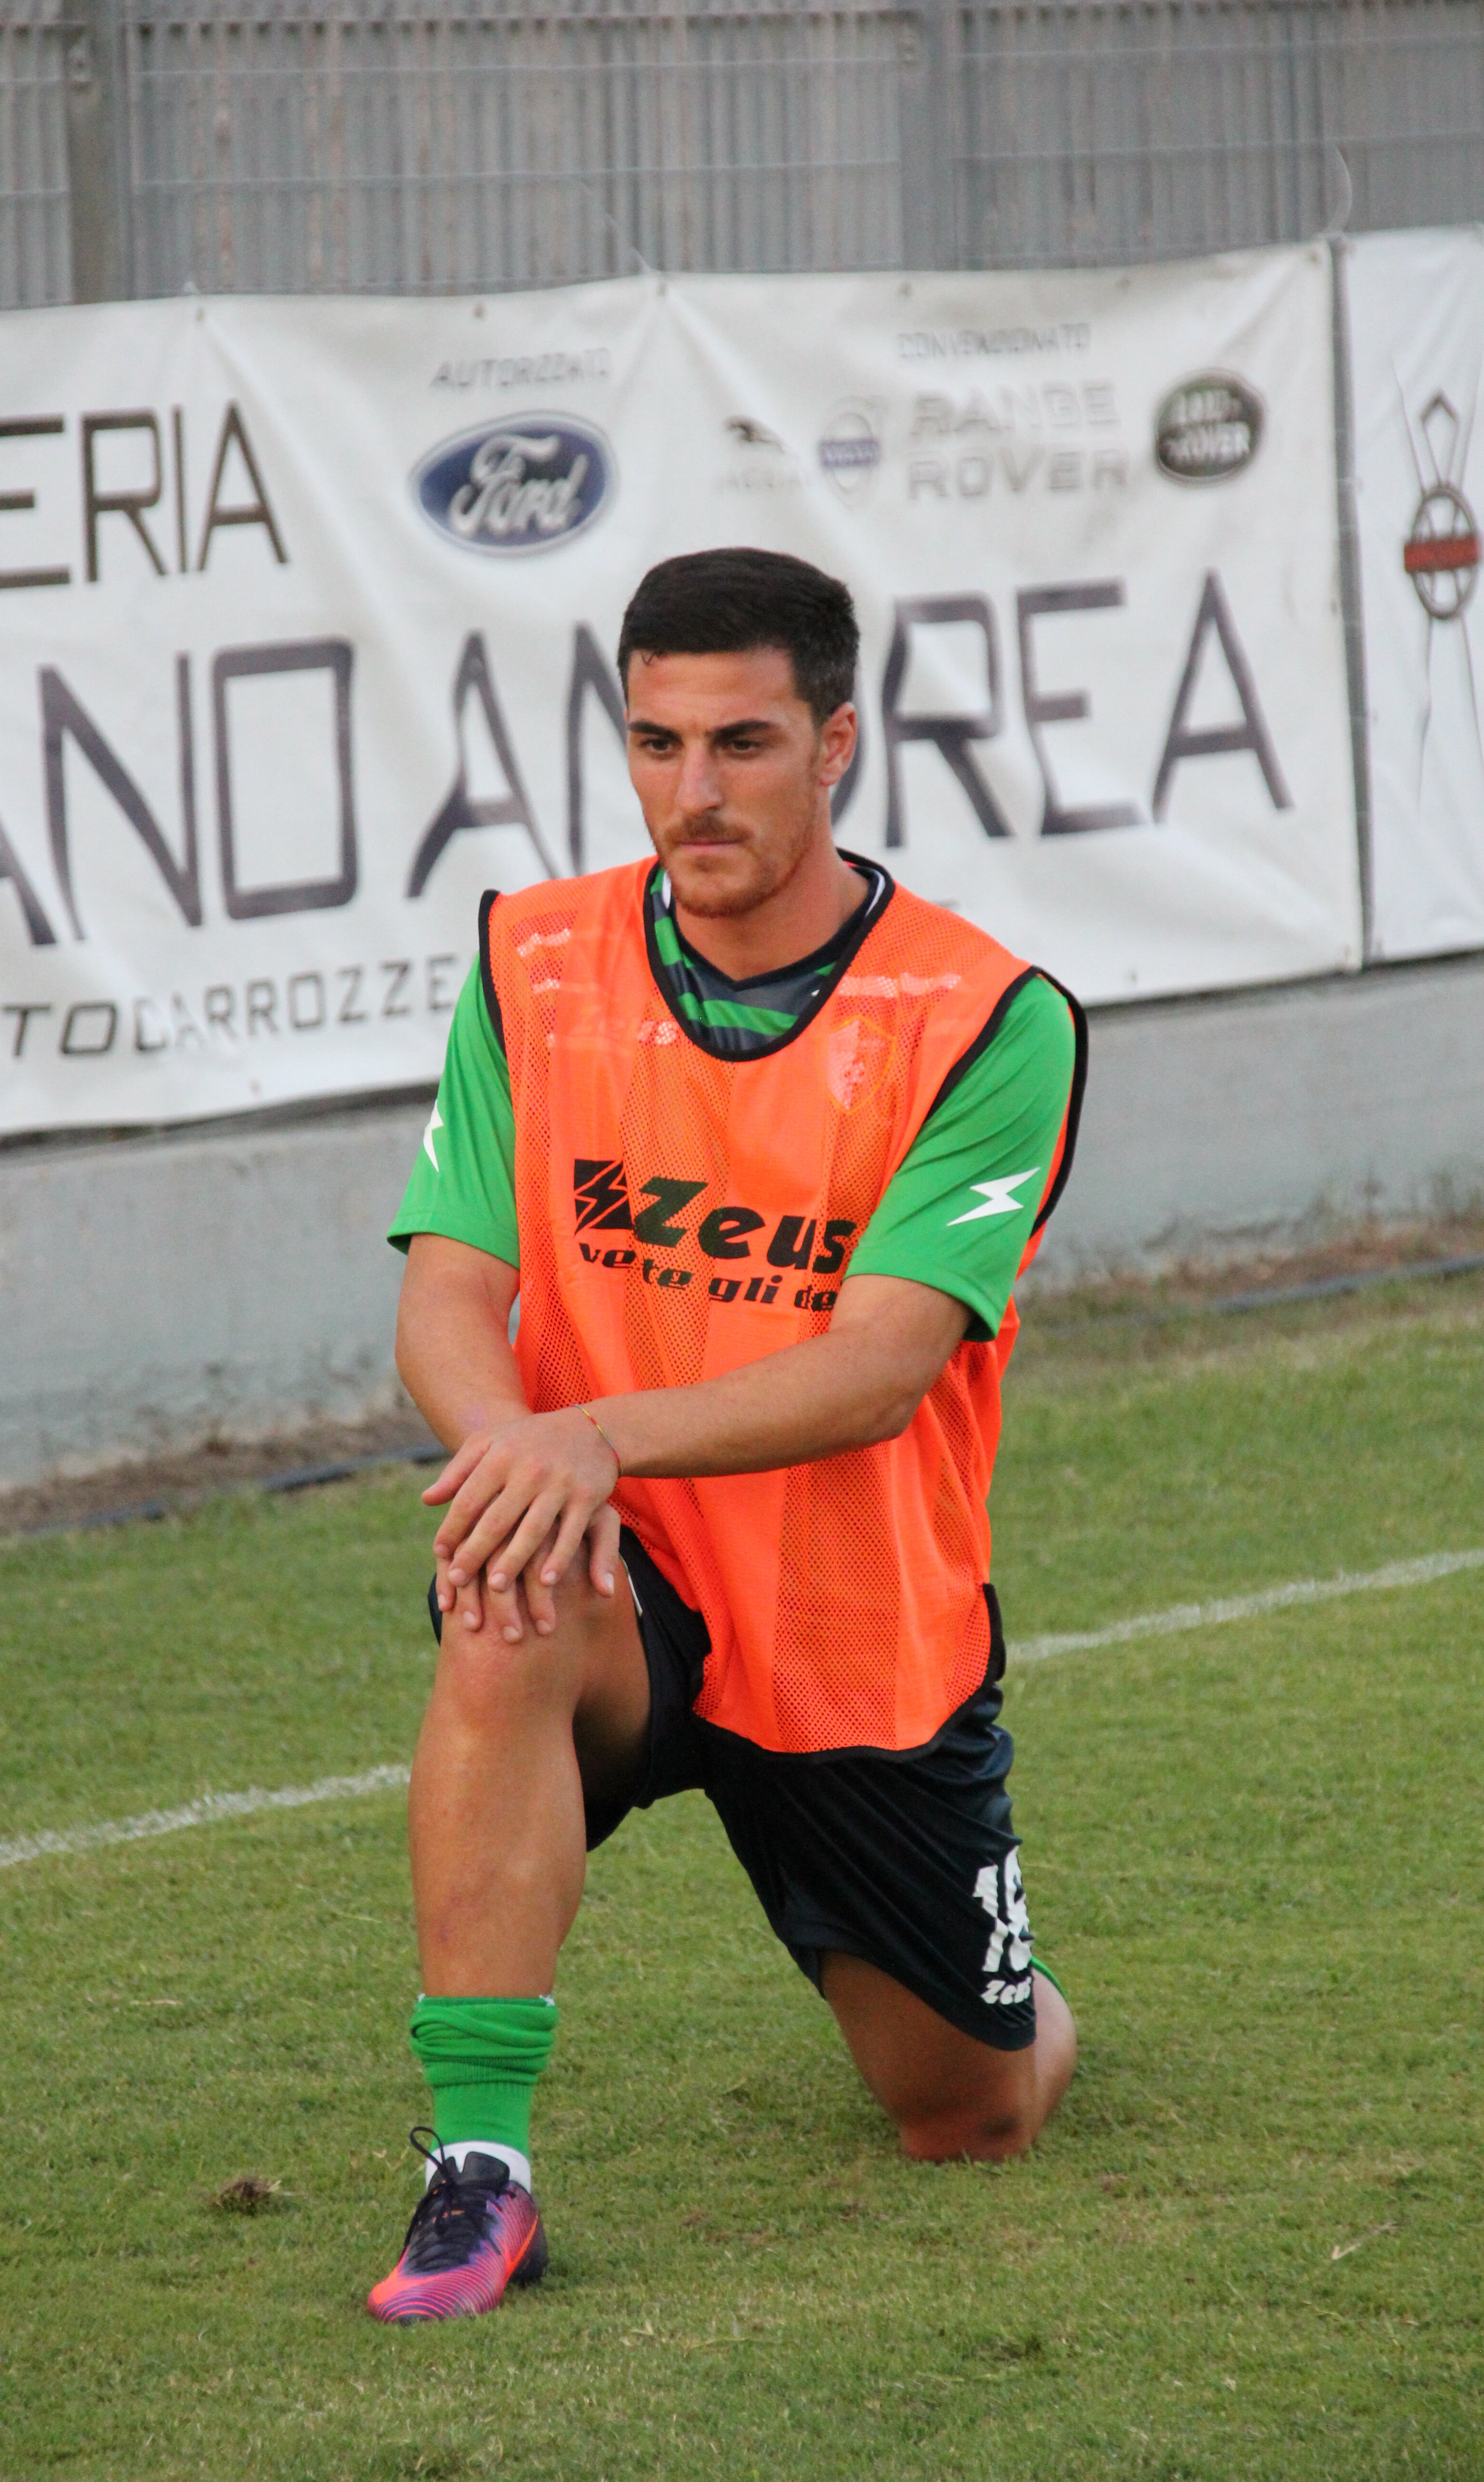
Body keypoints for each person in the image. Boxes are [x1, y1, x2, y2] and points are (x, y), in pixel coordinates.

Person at [368, 546, 1087, 2324]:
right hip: (626, 1579)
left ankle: (1013, 1997)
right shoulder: (534, 960)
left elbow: (879, 1369)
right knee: (507, 1586)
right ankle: (480, 2170)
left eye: (745, 743)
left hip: (856, 1630)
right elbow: (448, 1299)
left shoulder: (987, 1018)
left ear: (838, 741)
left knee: (969, 2115)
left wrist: (586, 1437)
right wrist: (528, 1472)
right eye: (657, 742)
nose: (695, 793)